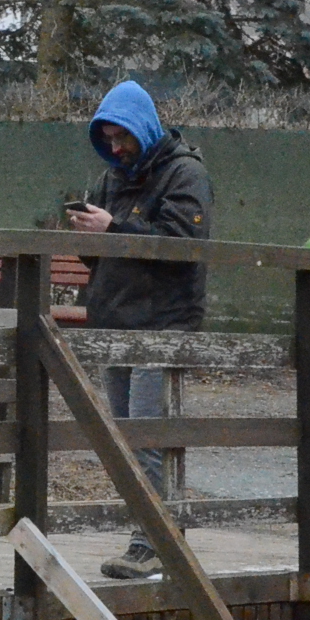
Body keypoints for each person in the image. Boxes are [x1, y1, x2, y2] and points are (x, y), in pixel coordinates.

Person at [65, 80, 211, 580]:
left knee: (148, 436)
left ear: (143, 129)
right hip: (115, 322)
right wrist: (90, 237)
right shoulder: (112, 178)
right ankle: (153, 535)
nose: (116, 147)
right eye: (108, 139)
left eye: (122, 136)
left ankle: (153, 541)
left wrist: (113, 230)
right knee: (126, 439)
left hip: (162, 323)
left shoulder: (185, 174)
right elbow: (100, 259)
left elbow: (183, 245)